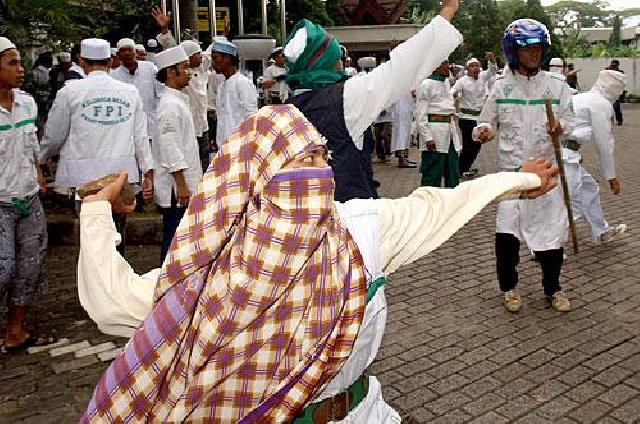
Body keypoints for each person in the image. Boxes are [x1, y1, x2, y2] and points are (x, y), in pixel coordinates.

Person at [77, 103, 559, 423]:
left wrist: (517, 180)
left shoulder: (361, 229)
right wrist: (96, 210)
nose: (311, 178)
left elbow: (440, 206)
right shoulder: (206, 276)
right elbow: (112, 304)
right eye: (295, 167)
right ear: (253, 185)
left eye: (316, 160)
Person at [283, 0, 463, 202]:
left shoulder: (283, 110)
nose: (341, 63)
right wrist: (448, 10)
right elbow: (402, 67)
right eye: (337, 57)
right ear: (328, 61)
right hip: (346, 214)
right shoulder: (346, 98)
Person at [474, 19, 575, 313]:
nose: (534, 53)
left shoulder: (557, 86)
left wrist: (561, 126)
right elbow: (485, 120)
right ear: (513, 51)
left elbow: (571, 120)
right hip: (512, 176)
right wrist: (483, 131)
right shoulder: (501, 87)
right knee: (507, 236)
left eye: (538, 48)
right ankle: (509, 288)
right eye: (527, 48)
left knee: (551, 236)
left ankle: (553, 288)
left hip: (546, 175)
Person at [41, 38, 154, 253]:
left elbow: (54, 135)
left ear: (82, 61)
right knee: (116, 233)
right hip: (120, 175)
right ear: (110, 62)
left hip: (83, 177)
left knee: (90, 233)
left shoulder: (69, 92)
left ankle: (93, 273)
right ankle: (117, 272)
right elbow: (141, 137)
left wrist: (42, 157)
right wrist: (147, 172)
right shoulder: (129, 92)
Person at [0, 37, 52, 352]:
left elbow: (32, 149)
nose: (20, 69)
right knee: (3, 269)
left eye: (20, 62)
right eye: (12, 63)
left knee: (30, 266)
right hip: (1, 203)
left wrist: (39, 175)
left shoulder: (27, 103)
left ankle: (15, 330)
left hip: (29, 198)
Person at [564, 70, 627, 244]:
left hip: (567, 154)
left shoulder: (583, 97)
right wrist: (611, 177)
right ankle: (545, 246)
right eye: (619, 90)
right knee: (573, 203)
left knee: (589, 188)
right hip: (563, 156)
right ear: (612, 87)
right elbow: (604, 143)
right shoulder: (600, 103)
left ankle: (601, 232)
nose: (619, 95)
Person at [153, 46, 203, 264]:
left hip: (185, 184)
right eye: (185, 67)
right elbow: (170, 148)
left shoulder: (177, 100)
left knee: (181, 239)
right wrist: (181, 184)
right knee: (174, 241)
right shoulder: (169, 105)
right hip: (177, 188)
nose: (189, 72)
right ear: (171, 72)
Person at [416, 59, 461, 187]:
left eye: (448, 63)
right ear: (435, 66)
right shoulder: (425, 84)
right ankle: (428, 198)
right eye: (445, 63)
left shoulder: (446, 82)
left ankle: (452, 197)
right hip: (435, 134)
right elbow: (420, 114)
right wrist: (427, 137)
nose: (448, 66)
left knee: (452, 171)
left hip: (449, 132)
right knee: (432, 173)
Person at [452, 52, 497, 179]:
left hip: (479, 118)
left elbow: (493, 71)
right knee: (468, 145)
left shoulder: (482, 77)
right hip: (466, 118)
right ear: (467, 69)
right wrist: (454, 97)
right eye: (472, 66)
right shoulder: (462, 81)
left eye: (477, 66)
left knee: (477, 144)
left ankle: (466, 167)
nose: (475, 68)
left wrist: (492, 59)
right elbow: (452, 91)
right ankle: (460, 169)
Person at [111, 38, 164, 147]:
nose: (127, 53)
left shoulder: (150, 68)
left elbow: (160, 94)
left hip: (150, 126)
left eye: (129, 50)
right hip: (127, 129)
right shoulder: (114, 76)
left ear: (135, 52)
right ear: (118, 55)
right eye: (123, 51)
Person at [389, 92, 416, 168]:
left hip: (406, 106)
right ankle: (402, 159)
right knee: (402, 133)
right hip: (401, 108)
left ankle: (404, 158)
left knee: (405, 132)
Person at [31, 51, 52, 140]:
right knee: (44, 117)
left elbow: (34, 83)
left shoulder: (35, 70)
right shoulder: (48, 71)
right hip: (45, 97)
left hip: (38, 96)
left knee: (38, 116)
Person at [607, 60, 625, 125]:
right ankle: (609, 120)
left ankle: (619, 120)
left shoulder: (620, 72)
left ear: (618, 65)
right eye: (612, 65)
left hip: (617, 92)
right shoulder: (607, 71)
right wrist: (609, 69)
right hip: (609, 91)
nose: (613, 66)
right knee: (608, 106)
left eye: (615, 65)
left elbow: (621, 79)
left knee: (616, 106)